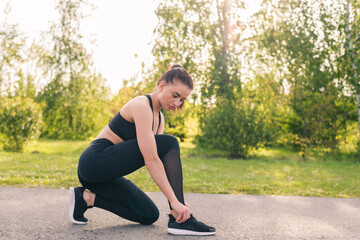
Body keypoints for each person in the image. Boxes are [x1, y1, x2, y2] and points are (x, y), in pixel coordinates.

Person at [69, 64, 216, 236]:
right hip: (94, 162)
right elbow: (151, 159)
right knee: (170, 143)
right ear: (161, 86)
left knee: (148, 214)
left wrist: (176, 201)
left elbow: (158, 163)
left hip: (104, 177)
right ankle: (179, 220)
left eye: (182, 99)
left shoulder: (160, 119)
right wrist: (175, 202)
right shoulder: (141, 106)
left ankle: (85, 198)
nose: (177, 103)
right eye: (175, 95)